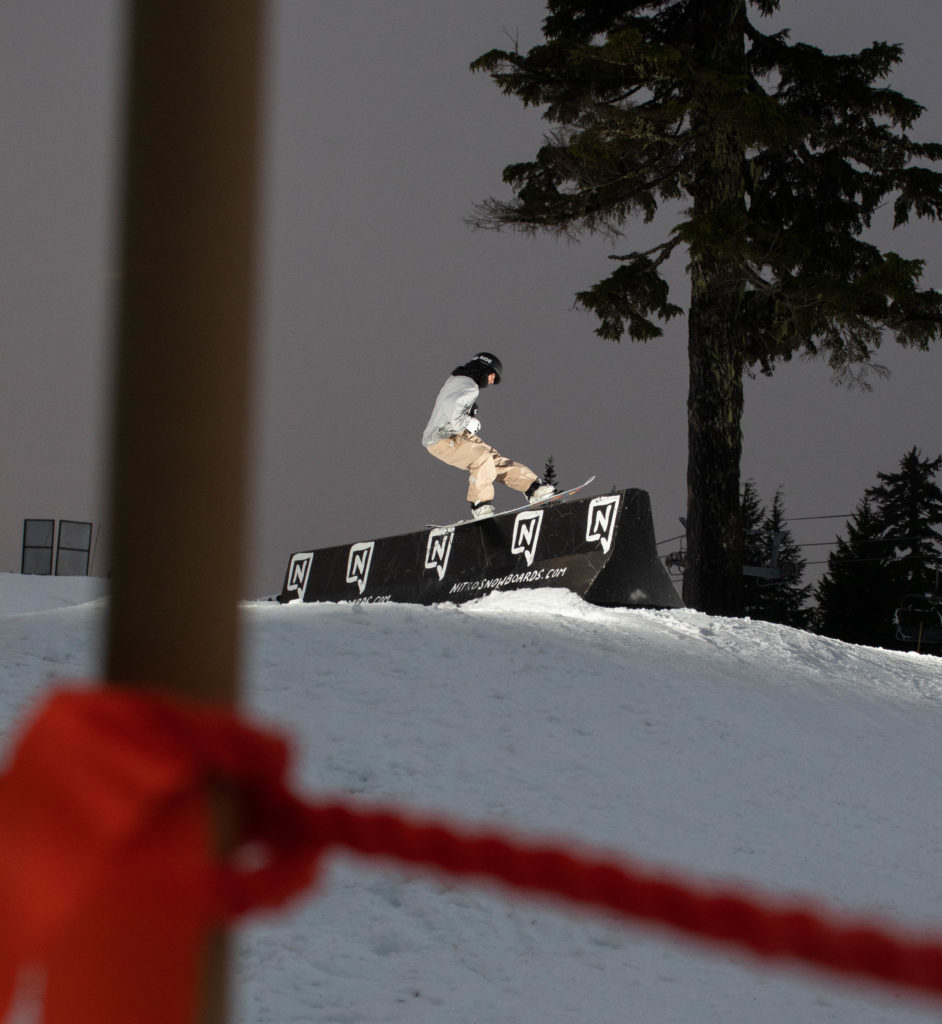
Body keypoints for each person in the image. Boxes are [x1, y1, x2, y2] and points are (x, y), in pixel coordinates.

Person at [422, 351, 555, 518]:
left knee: (492, 460)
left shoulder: (457, 380)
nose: (492, 381)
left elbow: (447, 403)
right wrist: (466, 421)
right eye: (493, 376)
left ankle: (532, 487)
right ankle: (480, 504)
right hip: (441, 439)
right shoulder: (470, 388)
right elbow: (450, 405)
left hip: (454, 434)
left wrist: (467, 412)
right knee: (482, 459)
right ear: (485, 370)